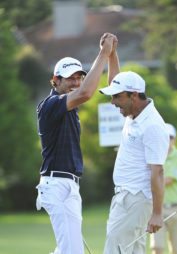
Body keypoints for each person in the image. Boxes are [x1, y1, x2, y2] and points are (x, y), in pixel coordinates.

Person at [35, 33, 116, 254]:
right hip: (56, 184)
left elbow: (112, 90)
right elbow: (87, 92)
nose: (76, 82)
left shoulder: (70, 108)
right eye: (70, 78)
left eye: (79, 77)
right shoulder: (50, 105)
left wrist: (112, 55)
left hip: (69, 185)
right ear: (56, 80)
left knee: (67, 250)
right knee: (72, 251)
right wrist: (103, 53)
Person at [99, 70, 170, 254]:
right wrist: (111, 54)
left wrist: (157, 213)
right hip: (128, 197)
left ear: (135, 96)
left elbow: (158, 172)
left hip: (135, 198)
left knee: (115, 249)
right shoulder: (133, 115)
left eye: (117, 97)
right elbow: (115, 79)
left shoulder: (152, 125)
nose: (113, 102)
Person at [150, 123, 177, 254]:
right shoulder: (153, 155)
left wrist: (154, 180)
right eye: (164, 137)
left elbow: (168, 180)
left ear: (175, 139)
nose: (167, 140)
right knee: (157, 247)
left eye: (170, 137)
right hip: (158, 208)